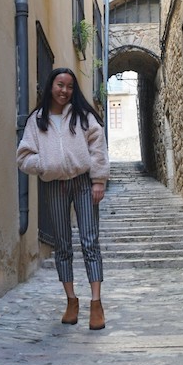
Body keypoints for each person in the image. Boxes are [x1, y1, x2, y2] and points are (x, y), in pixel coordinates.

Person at [16, 67, 110, 329]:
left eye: (69, 86)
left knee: (90, 241)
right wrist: (45, 164)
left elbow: (97, 147)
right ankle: (71, 300)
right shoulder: (37, 120)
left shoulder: (82, 116)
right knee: (63, 245)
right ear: (51, 86)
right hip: (54, 185)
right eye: (60, 85)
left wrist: (98, 181)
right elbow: (23, 156)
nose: (64, 91)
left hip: (82, 183)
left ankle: (96, 303)